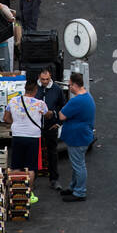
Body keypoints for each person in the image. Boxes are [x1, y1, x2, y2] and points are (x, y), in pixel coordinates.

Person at [3, 78, 48, 205]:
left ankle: (15, 190)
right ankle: (29, 192)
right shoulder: (40, 104)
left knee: (16, 165)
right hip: (33, 137)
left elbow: (5, 118)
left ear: (25, 89)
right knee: (31, 166)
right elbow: (47, 114)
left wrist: (17, 123)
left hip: (17, 136)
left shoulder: (13, 101)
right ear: (35, 90)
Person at [58, 72, 96, 201]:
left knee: (79, 165)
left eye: (70, 85)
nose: (69, 88)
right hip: (83, 136)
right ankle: (73, 187)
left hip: (77, 138)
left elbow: (62, 115)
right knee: (76, 164)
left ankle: (80, 192)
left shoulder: (77, 100)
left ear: (75, 85)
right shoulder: (87, 96)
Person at [34, 67, 63, 189]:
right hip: (35, 126)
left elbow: (62, 106)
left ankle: (54, 179)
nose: (45, 82)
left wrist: (56, 119)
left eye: (47, 79)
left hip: (51, 126)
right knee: (34, 153)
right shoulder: (34, 88)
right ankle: (32, 179)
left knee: (53, 152)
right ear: (39, 78)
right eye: (42, 79)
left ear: (50, 77)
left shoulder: (57, 89)